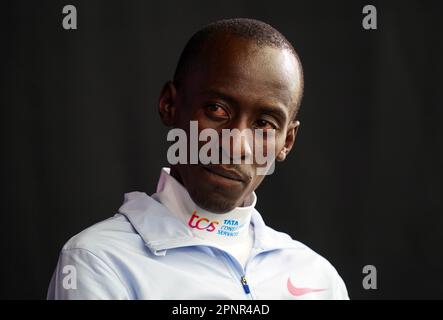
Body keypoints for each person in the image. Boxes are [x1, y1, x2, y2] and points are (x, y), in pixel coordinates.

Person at [47, 18, 349, 300]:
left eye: (264, 124)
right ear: (169, 105)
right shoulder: (98, 260)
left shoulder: (320, 279)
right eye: (217, 109)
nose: (235, 145)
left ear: (287, 141)